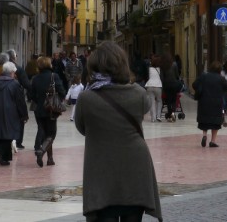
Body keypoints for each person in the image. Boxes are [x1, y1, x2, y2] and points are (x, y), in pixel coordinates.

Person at [74, 42, 161, 222]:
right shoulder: (138, 93)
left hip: (102, 170)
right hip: (136, 166)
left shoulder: (86, 98)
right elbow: (145, 108)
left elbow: (82, 128)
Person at [0, 62, 28, 165]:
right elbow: (20, 101)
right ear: (11, 72)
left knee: (1, 133)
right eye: (14, 73)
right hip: (11, 113)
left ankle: (4, 157)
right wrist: (24, 115)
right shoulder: (14, 84)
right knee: (10, 134)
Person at [30, 55, 66, 167]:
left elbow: (31, 95)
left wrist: (40, 101)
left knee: (46, 134)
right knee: (51, 134)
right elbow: (62, 92)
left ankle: (50, 159)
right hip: (50, 109)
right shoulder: (53, 76)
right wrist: (57, 100)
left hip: (39, 110)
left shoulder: (35, 78)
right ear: (48, 64)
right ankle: (41, 151)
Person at [192, 61, 227, 148]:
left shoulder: (204, 76)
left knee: (205, 121)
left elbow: (194, 84)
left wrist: (200, 90)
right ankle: (212, 141)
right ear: (219, 70)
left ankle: (204, 135)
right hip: (216, 103)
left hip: (203, 102)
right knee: (215, 123)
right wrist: (221, 91)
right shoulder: (221, 78)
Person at [6, 49, 33, 149]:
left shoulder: (1, 68)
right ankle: (18, 142)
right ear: (14, 57)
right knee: (20, 120)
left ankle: (6, 140)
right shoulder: (18, 69)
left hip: (4, 98)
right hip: (17, 98)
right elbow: (26, 84)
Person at [159, 53, 181, 122]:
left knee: (168, 100)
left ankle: (169, 114)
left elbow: (162, 77)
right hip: (174, 84)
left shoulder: (162, 66)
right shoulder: (174, 64)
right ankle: (173, 113)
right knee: (174, 100)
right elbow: (177, 76)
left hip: (167, 85)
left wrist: (162, 86)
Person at [144, 55, 163, 122]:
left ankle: (153, 118)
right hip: (158, 86)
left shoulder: (149, 69)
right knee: (159, 101)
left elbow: (146, 77)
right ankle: (158, 116)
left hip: (150, 86)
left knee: (152, 102)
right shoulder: (160, 69)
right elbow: (162, 78)